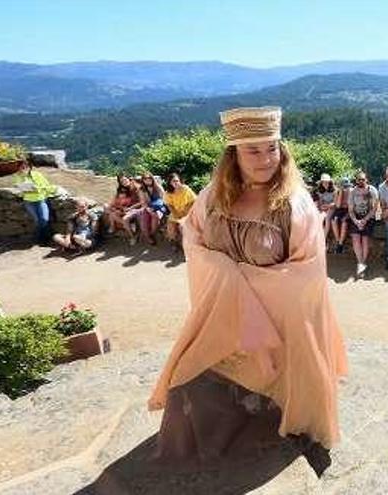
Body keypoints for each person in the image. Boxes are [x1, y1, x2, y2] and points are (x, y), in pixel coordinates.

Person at [149, 106, 347, 477]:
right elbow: (195, 241)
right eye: (253, 151)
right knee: (186, 381)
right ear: (233, 156)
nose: (265, 158)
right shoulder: (212, 198)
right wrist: (225, 274)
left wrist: (241, 282)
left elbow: (306, 275)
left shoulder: (295, 204)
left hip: (281, 328)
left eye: (271, 148)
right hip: (227, 320)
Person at [12, 161, 58, 245]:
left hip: (40, 199)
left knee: (44, 219)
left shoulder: (37, 175)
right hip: (28, 201)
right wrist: (20, 189)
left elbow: (47, 186)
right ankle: (43, 240)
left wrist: (38, 189)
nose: (23, 169)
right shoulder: (18, 177)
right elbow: (19, 190)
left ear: (29, 167)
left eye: (25, 167)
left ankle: (45, 238)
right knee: (37, 221)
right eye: (21, 167)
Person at [348, 170, 379, 277]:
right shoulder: (352, 192)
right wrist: (356, 221)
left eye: (363, 179)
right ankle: (360, 262)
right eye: (359, 179)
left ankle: (363, 263)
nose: (361, 181)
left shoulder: (372, 190)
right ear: (356, 180)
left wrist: (364, 220)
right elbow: (350, 209)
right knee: (355, 238)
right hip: (356, 217)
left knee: (365, 240)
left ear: (366, 180)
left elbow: (374, 209)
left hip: (369, 217)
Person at [163, 173, 197, 249]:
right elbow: (169, 205)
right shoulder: (168, 192)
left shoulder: (186, 189)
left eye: (177, 181)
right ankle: (174, 241)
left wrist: (185, 212)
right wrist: (176, 214)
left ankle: (185, 244)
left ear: (180, 181)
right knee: (171, 226)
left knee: (182, 226)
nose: (175, 183)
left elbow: (193, 201)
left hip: (187, 211)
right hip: (175, 212)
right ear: (170, 183)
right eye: (173, 181)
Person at [138, 172, 167, 245]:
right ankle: (148, 237)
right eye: (145, 179)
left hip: (160, 207)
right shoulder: (141, 190)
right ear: (143, 180)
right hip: (147, 207)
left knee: (155, 216)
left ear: (152, 179)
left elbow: (164, 198)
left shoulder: (158, 187)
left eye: (149, 178)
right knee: (144, 218)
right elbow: (143, 202)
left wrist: (157, 207)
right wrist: (148, 209)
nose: (147, 180)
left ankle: (151, 234)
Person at [312, 174, 337, 247]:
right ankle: (320, 237)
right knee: (320, 219)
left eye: (327, 182)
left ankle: (323, 239)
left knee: (327, 219)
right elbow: (320, 203)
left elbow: (335, 203)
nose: (325, 184)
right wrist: (322, 207)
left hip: (332, 208)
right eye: (323, 182)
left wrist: (327, 206)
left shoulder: (334, 191)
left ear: (330, 182)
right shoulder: (319, 191)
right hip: (323, 208)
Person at [330, 177, 351, 254]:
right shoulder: (337, 192)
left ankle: (340, 243)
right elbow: (338, 205)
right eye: (343, 186)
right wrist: (341, 193)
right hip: (339, 210)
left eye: (346, 186)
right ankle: (338, 241)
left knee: (344, 222)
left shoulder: (351, 191)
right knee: (333, 220)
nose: (345, 188)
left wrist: (347, 193)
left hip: (348, 210)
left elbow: (349, 205)